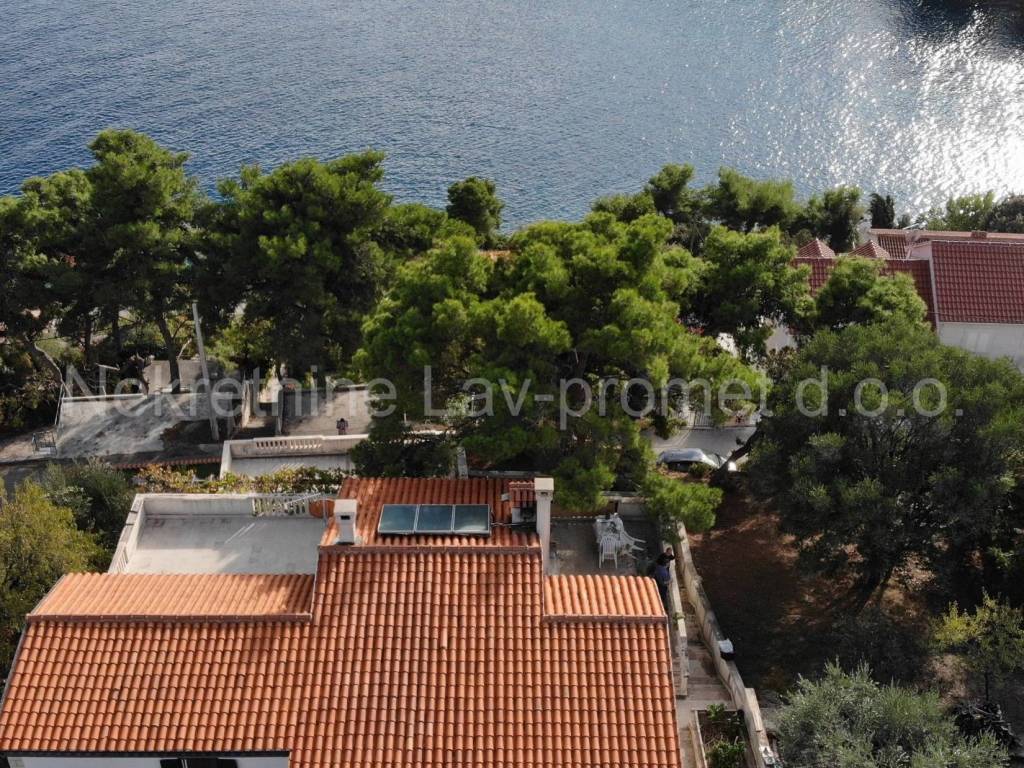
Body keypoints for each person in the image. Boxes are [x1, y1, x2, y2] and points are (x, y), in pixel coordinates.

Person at [648, 548, 676, 613]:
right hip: (661, 588)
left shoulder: (658, 567)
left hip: (655, 583)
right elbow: (663, 583)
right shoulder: (664, 573)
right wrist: (670, 581)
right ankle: (662, 608)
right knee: (661, 598)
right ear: (667, 564)